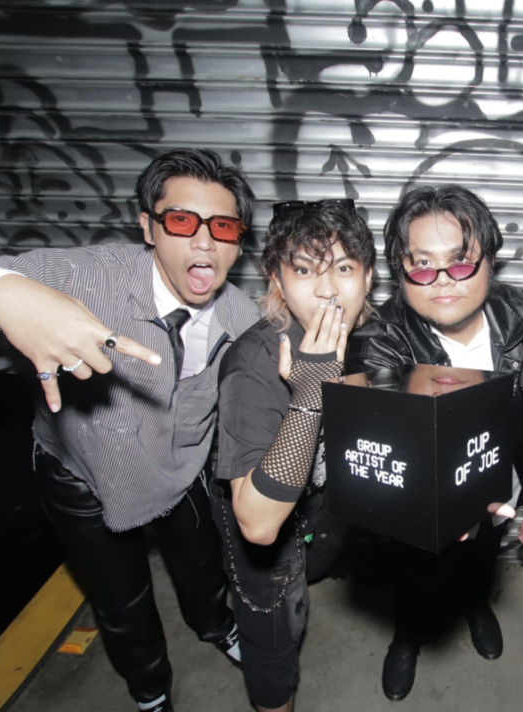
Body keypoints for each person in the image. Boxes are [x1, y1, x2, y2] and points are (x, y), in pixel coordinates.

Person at [0, 148, 263, 712]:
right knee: (122, 602)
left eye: (222, 227)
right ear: (148, 227)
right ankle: (150, 692)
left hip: (180, 469)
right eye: (182, 221)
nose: (204, 242)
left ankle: (214, 625)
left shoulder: (241, 316)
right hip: (84, 478)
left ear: (238, 242)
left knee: (202, 567)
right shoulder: (80, 279)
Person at [346, 184, 523, 701]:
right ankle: (408, 636)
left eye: (460, 262)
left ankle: (476, 605)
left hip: (502, 490)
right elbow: (379, 448)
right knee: (417, 575)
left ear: (489, 261)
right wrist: (423, 510)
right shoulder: (378, 341)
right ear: (400, 270)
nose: (442, 281)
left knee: (482, 561)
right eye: (422, 265)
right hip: (420, 506)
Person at [211, 199, 374, 712]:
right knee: (273, 645)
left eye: (344, 268)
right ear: (277, 282)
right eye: (303, 270)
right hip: (264, 529)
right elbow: (258, 525)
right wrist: (309, 394)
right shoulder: (253, 366)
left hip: (317, 510)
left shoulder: (354, 332)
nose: (327, 289)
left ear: (368, 278)